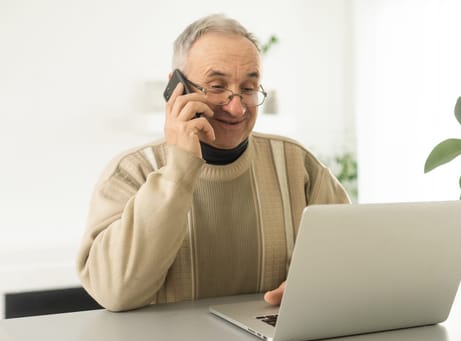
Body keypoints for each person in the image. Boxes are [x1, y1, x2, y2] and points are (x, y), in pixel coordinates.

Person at [76, 14, 350, 312]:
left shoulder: (299, 166)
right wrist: (179, 166)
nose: (236, 108)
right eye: (217, 86)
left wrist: (318, 287)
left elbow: (352, 259)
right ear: (176, 89)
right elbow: (115, 292)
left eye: (247, 89)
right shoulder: (132, 171)